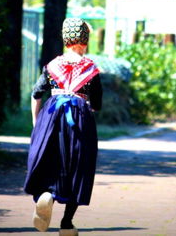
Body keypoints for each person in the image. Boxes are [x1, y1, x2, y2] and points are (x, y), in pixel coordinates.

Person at [24, 18, 102, 236]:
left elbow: (36, 94)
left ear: (65, 39)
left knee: (50, 159)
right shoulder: (91, 69)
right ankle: (67, 223)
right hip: (78, 119)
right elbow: (96, 104)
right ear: (85, 41)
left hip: (50, 116)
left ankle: (46, 195)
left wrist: (36, 124)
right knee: (79, 166)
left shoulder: (52, 66)